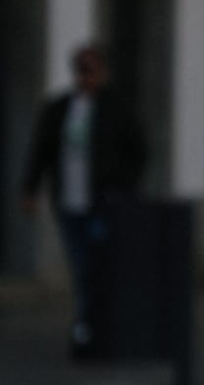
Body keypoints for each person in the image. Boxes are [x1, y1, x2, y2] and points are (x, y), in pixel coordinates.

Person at [21, 43, 147, 354]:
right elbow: (42, 151)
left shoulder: (116, 109)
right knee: (82, 269)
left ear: (102, 73)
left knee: (98, 268)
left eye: (91, 70)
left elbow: (138, 150)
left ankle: (94, 329)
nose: (85, 77)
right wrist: (30, 188)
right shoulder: (61, 109)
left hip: (102, 203)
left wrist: (123, 188)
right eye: (81, 70)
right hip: (69, 203)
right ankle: (86, 329)